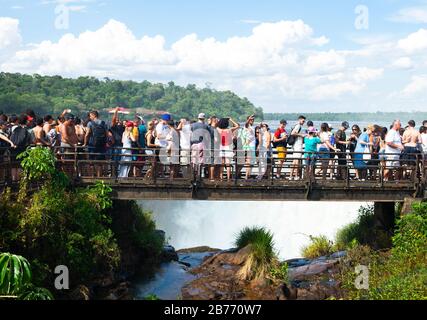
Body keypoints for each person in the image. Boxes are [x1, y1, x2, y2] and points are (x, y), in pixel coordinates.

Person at [84, 111, 108, 177]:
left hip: (92, 144)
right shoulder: (103, 123)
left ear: (93, 115)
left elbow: (87, 134)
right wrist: (106, 142)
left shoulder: (90, 123)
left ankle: (91, 177)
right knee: (100, 162)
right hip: (102, 145)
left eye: (90, 116)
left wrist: (85, 143)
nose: (90, 117)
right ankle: (99, 177)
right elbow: (107, 134)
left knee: (91, 161)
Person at [289, 115, 306, 180]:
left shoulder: (297, 125)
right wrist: (301, 135)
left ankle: (291, 176)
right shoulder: (298, 125)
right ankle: (295, 176)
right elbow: (293, 133)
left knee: (295, 161)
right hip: (297, 145)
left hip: (296, 145)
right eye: (303, 121)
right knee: (296, 161)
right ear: (299, 119)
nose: (303, 122)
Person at [242, 115, 257, 180]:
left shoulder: (252, 127)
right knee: (249, 161)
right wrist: (249, 117)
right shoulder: (246, 126)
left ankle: (248, 175)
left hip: (253, 146)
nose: (252, 120)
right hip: (249, 146)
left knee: (251, 162)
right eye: (251, 119)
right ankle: (246, 176)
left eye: (253, 119)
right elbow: (246, 123)